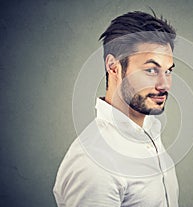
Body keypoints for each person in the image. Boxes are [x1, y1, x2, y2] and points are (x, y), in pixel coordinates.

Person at [53, 10, 178, 207]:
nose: (165, 85)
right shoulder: (94, 162)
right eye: (151, 70)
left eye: (168, 71)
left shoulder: (148, 133)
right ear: (114, 67)